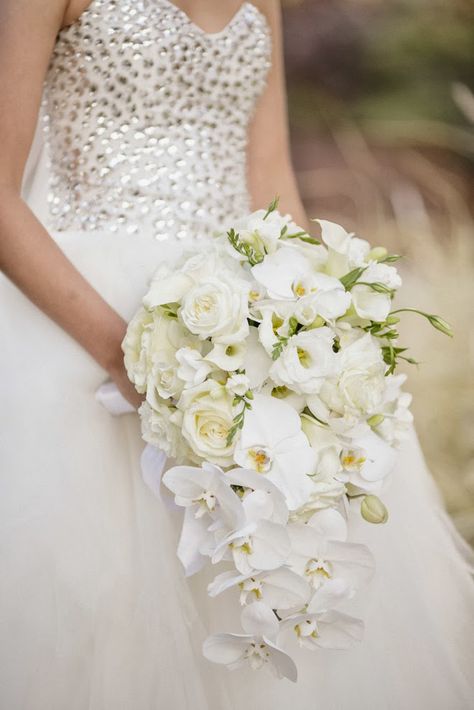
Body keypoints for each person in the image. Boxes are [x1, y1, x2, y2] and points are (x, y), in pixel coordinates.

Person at [0, 1, 473, 708]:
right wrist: (125, 354)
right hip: (87, 326)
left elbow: (272, 181)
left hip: (252, 331)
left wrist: (327, 329)